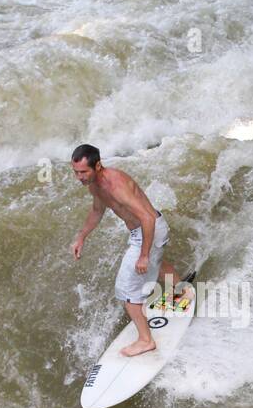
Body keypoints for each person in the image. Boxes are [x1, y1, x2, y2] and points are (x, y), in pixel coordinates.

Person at [70, 144, 191, 357]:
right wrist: (81, 236)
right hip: (142, 232)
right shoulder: (95, 185)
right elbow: (97, 211)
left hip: (149, 229)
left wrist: (143, 254)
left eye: (83, 172)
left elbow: (147, 218)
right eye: (76, 172)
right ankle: (181, 293)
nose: (79, 177)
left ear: (97, 166)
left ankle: (146, 340)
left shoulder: (115, 184)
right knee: (158, 263)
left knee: (126, 288)